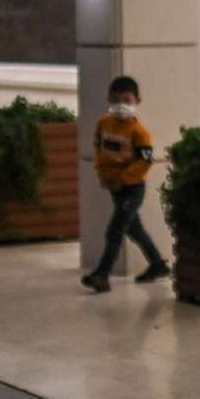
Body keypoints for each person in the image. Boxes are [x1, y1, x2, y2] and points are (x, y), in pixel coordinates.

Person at [79, 74, 170, 294]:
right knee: (134, 229)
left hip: (132, 187)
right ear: (109, 100)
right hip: (114, 187)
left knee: (115, 229)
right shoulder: (103, 124)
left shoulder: (140, 133)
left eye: (127, 101)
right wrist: (105, 176)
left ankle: (102, 275)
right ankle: (157, 265)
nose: (121, 106)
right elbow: (99, 151)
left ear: (137, 101)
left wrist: (124, 179)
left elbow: (145, 162)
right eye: (116, 100)